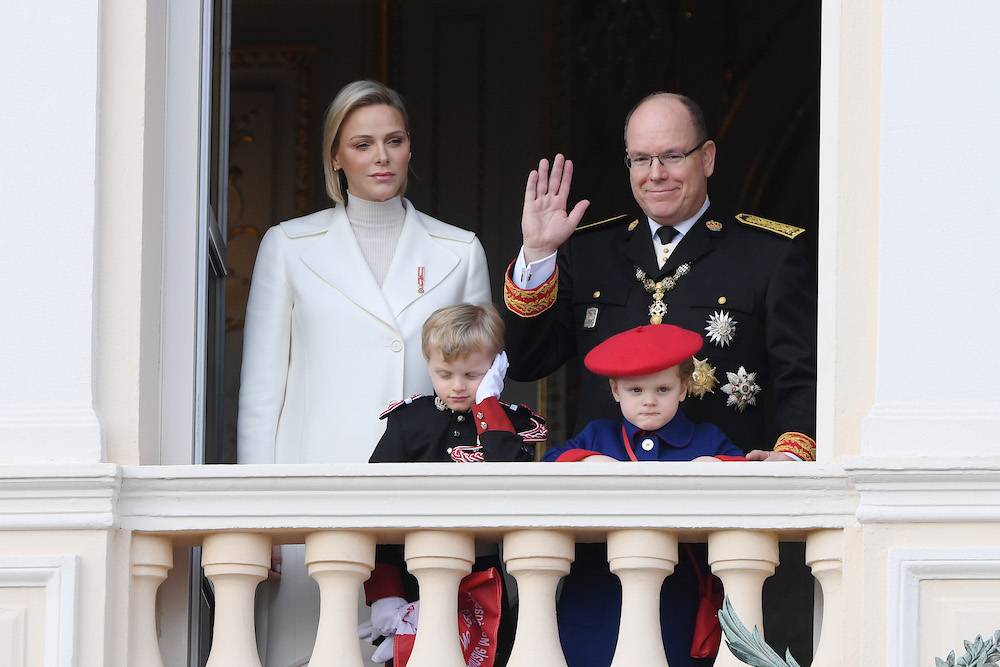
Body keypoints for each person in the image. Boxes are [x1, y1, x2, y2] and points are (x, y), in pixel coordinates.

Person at [237, 80, 491, 666]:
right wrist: (259, 516)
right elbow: (261, 392)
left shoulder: (458, 250)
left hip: (425, 501)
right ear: (336, 156)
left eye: (394, 141)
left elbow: (485, 387)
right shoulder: (289, 246)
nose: (381, 157)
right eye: (363, 144)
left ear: (409, 149)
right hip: (314, 495)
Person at [502, 92, 816, 462]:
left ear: (707, 158)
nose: (655, 173)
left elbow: (803, 376)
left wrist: (792, 458)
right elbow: (526, 362)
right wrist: (538, 253)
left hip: (723, 491)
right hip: (604, 496)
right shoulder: (588, 251)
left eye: (672, 156)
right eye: (641, 159)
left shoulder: (768, 254)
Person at [543, 324, 741, 667]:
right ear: (615, 390)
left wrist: (716, 464)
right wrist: (587, 459)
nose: (649, 400)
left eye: (662, 388)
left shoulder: (706, 438)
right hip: (598, 594)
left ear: (683, 388)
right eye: (636, 389)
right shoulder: (597, 436)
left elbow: (746, 478)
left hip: (677, 598)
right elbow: (547, 464)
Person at [365, 303, 546, 666]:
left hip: (483, 577)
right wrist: (384, 591)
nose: (458, 386)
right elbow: (376, 508)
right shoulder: (408, 422)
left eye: (473, 374)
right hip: (412, 575)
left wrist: (488, 405)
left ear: (496, 367)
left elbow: (513, 482)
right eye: (444, 374)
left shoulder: (506, 422)